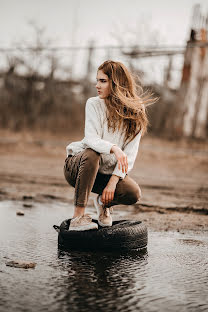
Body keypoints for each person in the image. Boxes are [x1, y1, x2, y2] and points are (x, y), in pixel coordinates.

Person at [64, 60, 155, 231]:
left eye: (102, 81)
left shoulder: (136, 111)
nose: (96, 85)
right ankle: (78, 217)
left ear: (117, 83)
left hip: (104, 173)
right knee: (92, 154)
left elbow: (130, 155)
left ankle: (102, 203)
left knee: (133, 192)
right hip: (78, 167)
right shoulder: (93, 104)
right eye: (97, 80)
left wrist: (113, 182)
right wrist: (114, 148)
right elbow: (91, 139)